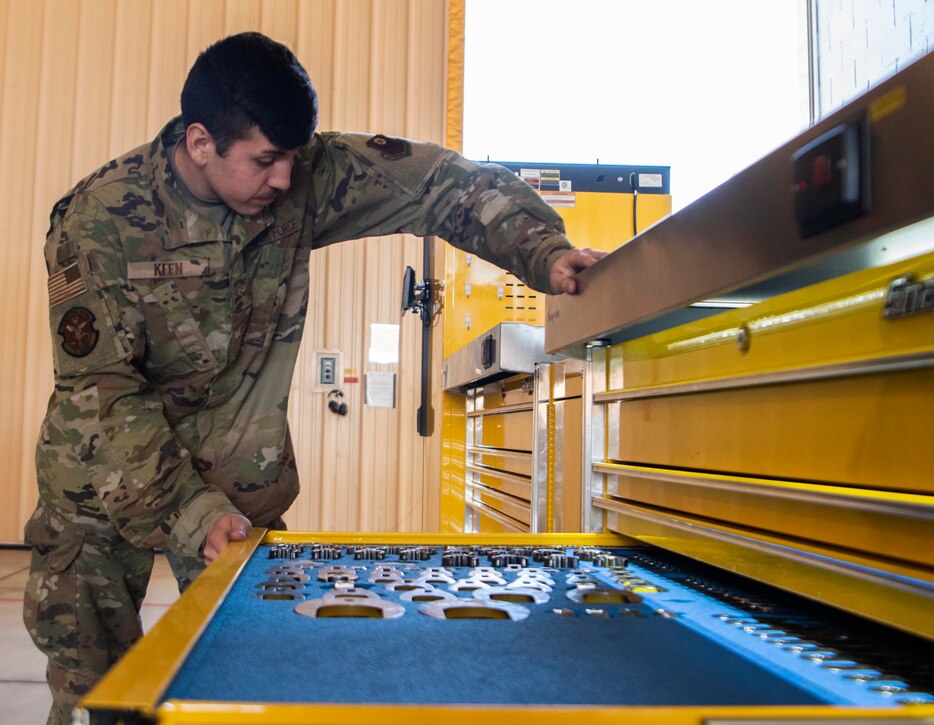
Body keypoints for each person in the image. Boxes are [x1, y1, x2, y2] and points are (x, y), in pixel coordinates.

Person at [23, 31, 604, 725]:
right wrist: (190, 512)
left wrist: (542, 248)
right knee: (99, 689)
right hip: (101, 480)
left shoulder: (300, 176)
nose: (282, 179)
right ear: (201, 142)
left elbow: (439, 182)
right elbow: (102, 393)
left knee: (244, 682)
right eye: (265, 159)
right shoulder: (98, 219)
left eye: (293, 158)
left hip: (236, 484)